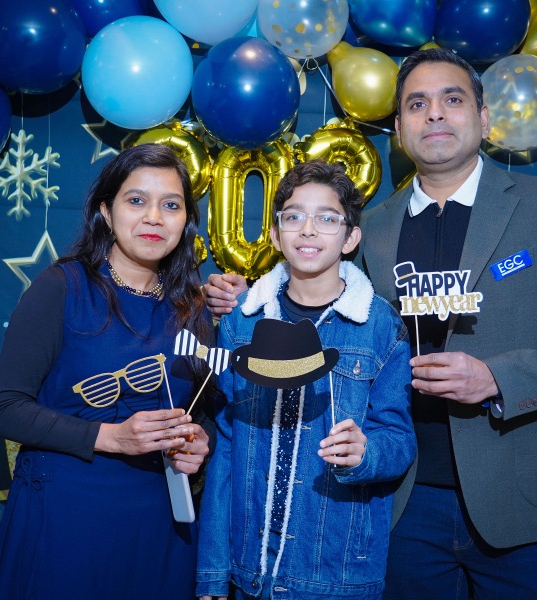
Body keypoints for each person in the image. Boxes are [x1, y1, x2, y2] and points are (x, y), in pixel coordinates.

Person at [203, 48, 537, 599]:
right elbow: (325, 309)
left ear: (484, 118)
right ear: (399, 128)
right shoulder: (372, 228)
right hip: (401, 506)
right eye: (416, 103)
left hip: (523, 501)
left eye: (452, 99)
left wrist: (497, 379)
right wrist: (251, 298)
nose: (434, 113)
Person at [0, 144, 212, 599]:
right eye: (136, 200)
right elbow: (3, 410)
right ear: (106, 211)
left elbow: (202, 414)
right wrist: (111, 437)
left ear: (186, 220)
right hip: (65, 521)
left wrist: (199, 444)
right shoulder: (62, 287)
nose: (154, 218)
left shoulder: (193, 310)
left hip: (158, 526)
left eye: (171, 205)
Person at [196, 160, 416, 600]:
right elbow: (226, 448)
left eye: (327, 218)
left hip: (334, 571)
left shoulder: (379, 326)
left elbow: (399, 439)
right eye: (294, 216)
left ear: (350, 238)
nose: (309, 230)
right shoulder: (242, 323)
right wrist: (213, 573)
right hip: (250, 570)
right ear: (275, 235)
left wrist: (366, 452)